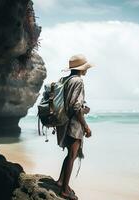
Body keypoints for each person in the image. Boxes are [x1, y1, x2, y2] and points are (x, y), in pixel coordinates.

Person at [56, 54, 93, 200]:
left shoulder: (65, 80)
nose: (86, 70)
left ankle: (60, 181)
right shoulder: (78, 81)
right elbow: (76, 106)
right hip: (73, 123)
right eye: (85, 68)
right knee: (73, 155)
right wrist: (86, 126)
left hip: (63, 121)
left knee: (70, 154)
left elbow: (68, 103)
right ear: (81, 69)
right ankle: (64, 190)